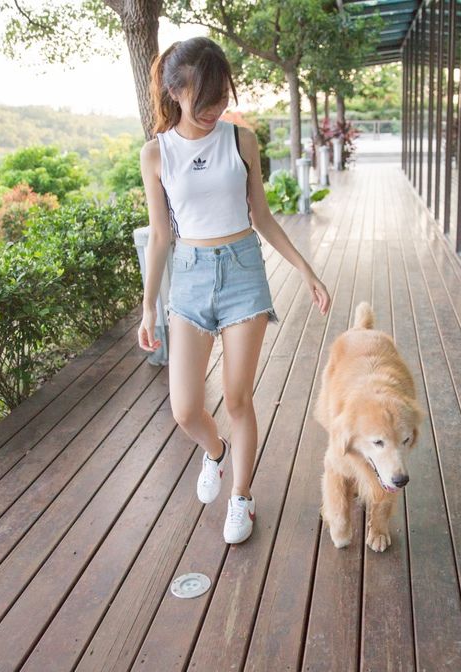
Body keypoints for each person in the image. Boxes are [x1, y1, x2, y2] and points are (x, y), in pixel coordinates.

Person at [137, 37, 331, 545]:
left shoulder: (240, 140)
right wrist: (147, 304)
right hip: (191, 274)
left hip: (243, 269)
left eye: (222, 98)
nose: (215, 110)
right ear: (175, 91)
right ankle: (217, 453)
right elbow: (160, 235)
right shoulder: (156, 154)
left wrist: (306, 269)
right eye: (204, 101)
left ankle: (241, 496)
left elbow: (261, 216)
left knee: (239, 396)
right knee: (185, 409)